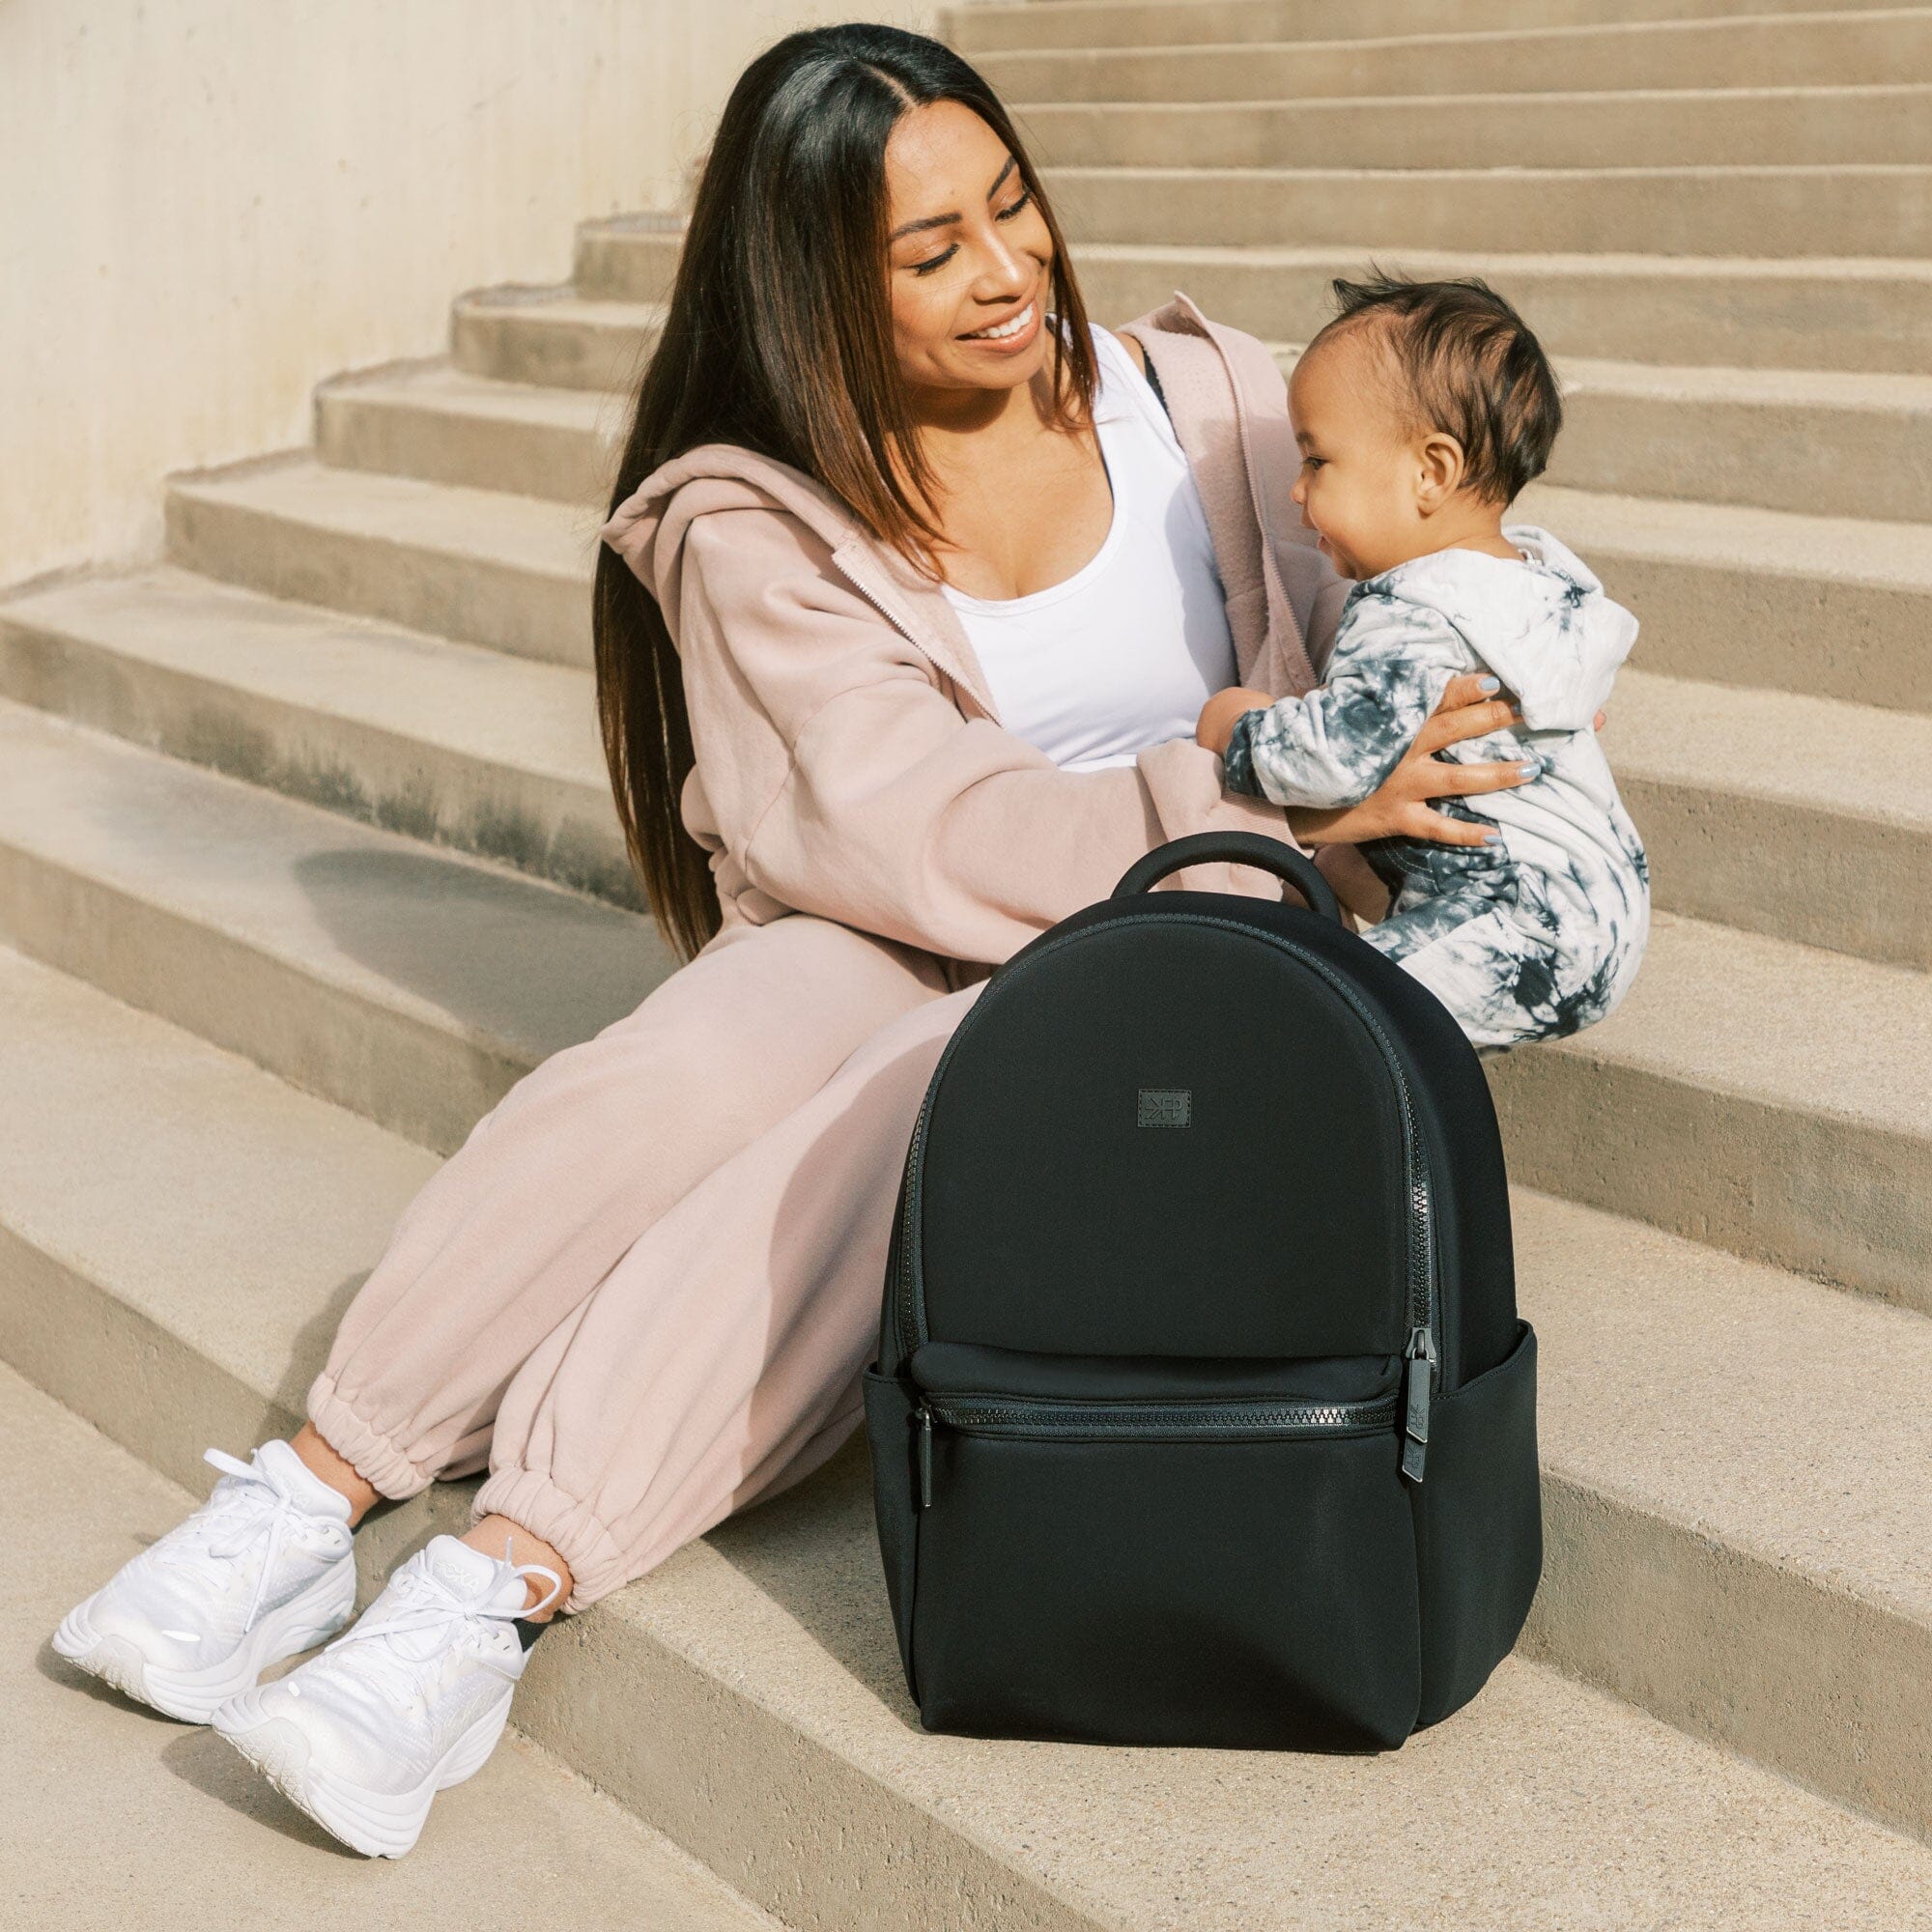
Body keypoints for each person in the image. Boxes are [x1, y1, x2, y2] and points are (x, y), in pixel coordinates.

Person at [48, 23, 1593, 1859]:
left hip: (1180, 936)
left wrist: (1400, 776)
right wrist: (1258, 783)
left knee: (915, 1102)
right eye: (932, 252)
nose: (1008, 271)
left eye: (1011, 207)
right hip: (910, 906)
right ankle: (317, 1491)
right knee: (677, 1070)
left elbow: (1449, 592)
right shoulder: (752, 514)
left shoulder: (1224, 408)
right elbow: (904, 826)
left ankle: (495, 1582)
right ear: (813, 286)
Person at [1195, 273, 1649, 1052]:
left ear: (1431, 473)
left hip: (1504, 922)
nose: (1296, 491)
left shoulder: (1408, 608)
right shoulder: (1539, 585)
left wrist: (1233, 725)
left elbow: (1337, 759)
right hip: (1603, 907)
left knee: (1310, 1022)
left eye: (1316, 461)